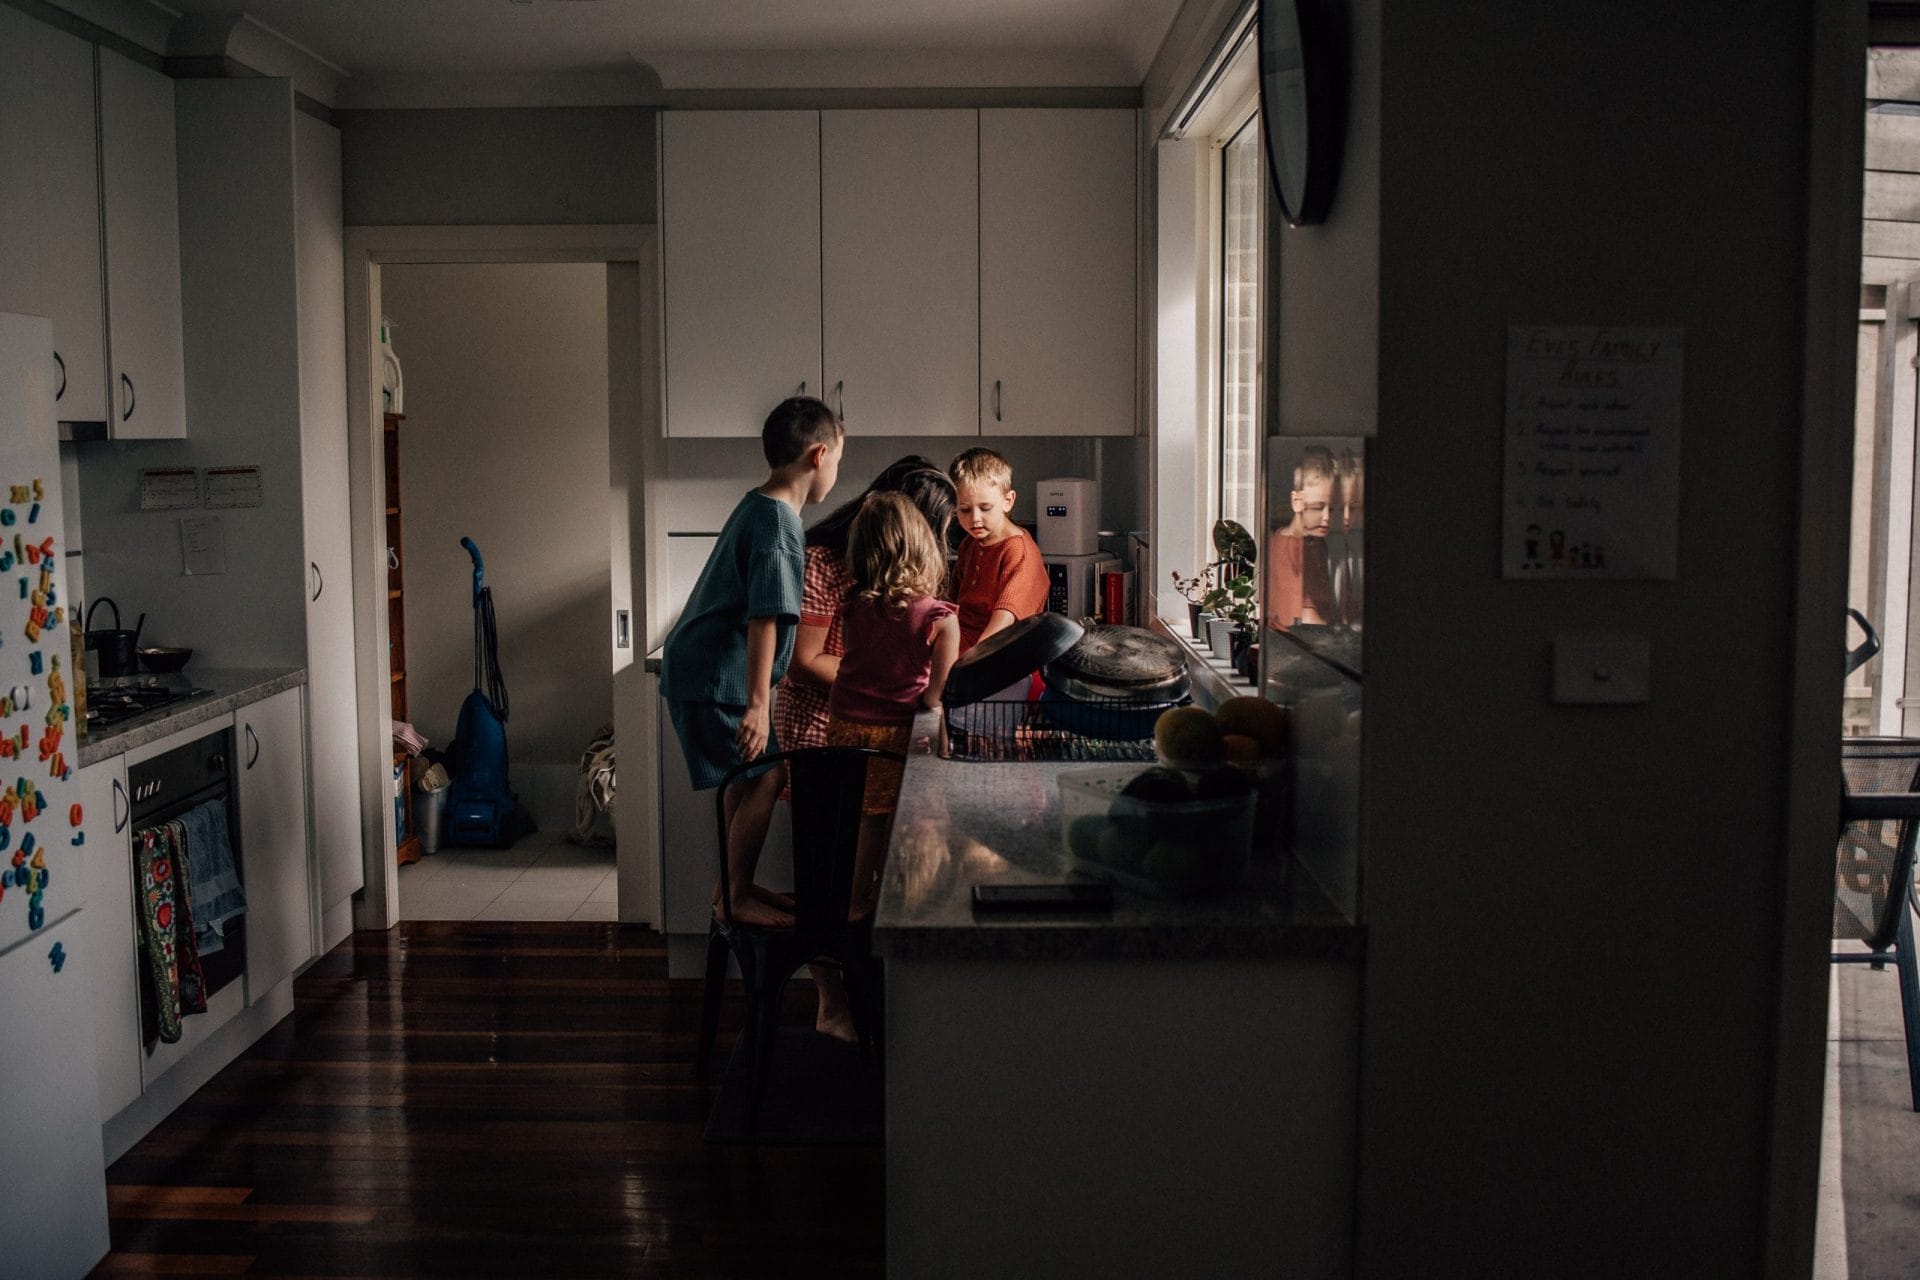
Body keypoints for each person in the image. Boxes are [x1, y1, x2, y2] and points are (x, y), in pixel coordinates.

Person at [661, 396, 844, 928]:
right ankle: (735, 898)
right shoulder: (780, 525)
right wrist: (760, 705)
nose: (836, 472)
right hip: (717, 680)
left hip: (704, 673)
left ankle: (731, 887)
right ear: (818, 455)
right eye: (838, 460)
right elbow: (764, 617)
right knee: (766, 777)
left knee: (743, 780)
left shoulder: (760, 505)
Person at [812, 492, 959, 1037]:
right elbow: (934, 699)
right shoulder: (940, 619)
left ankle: (846, 977)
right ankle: (883, 984)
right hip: (894, 745)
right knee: (905, 863)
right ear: (925, 546)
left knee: (856, 855)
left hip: (843, 737)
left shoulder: (853, 606)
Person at [774, 456, 956, 752]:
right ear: (905, 526)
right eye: (937, 532)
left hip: (875, 727)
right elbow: (803, 662)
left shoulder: (890, 587)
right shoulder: (823, 563)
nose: (937, 544)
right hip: (820, 723)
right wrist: (896, 688)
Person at [948, 447, 1050, 652]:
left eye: (985, 508)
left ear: (1008, 501)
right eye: (964, 509)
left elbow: (1002, 624)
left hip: (997, 654)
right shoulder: (970, 545)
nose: (975, 518)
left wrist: (968, 665)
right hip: (961, 645)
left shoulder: (1019, 553)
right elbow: (951, 605)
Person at [1265, 445, 1340, 631]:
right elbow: (1303, 616)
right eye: (1317, 507)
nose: (1326, 518)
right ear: (1297, 502)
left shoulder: (1315, 543)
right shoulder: (1292, 547)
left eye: (1331, 508)